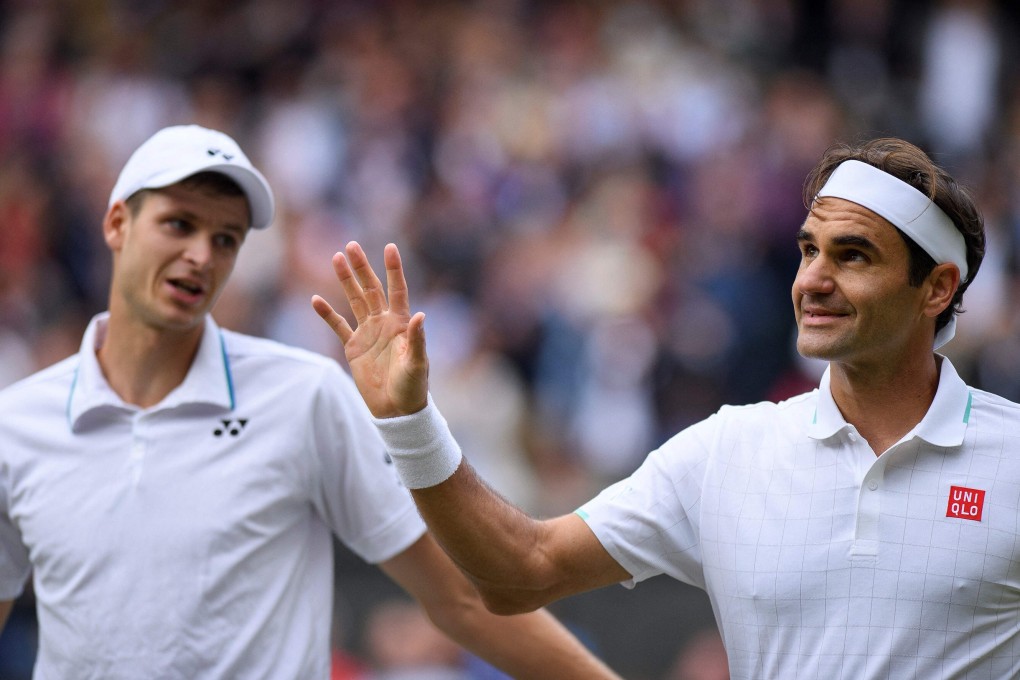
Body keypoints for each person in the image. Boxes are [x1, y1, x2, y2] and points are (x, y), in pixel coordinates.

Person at [312, 137, 1020, 679]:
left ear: (936, 288)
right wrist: (409, 424)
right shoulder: (729, 450)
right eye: (809, 251)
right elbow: (518, 570)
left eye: (854, 256)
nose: (814, 280)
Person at [0, 124, 621, 679]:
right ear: (116, 224)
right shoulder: (16, 425)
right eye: (179, 224)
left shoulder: (305, 397)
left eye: (226, 238)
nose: (201, 255)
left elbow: (458, 598)